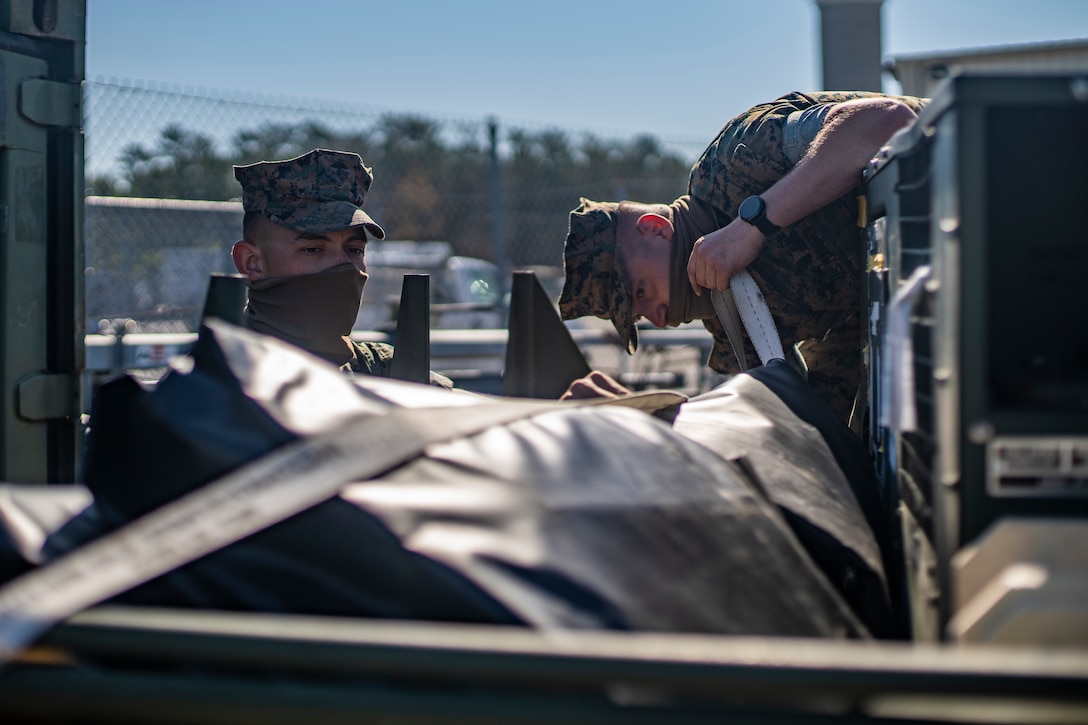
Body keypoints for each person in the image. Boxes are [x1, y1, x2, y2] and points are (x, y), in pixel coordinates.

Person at [558, 91, 927, 424]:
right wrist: (656, 421)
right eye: (641, 318)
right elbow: (790, 432)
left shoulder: (736, 162)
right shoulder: (734, 324)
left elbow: (889, 122)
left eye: (641, 293)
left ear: (655, 228)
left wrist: (751, 225)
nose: (659, 318)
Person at [231, 148, 451, 387]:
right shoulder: (214, 380)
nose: (345, 267)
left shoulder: (384, 370)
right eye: (313, 249)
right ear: (251, 263)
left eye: (354, 250)